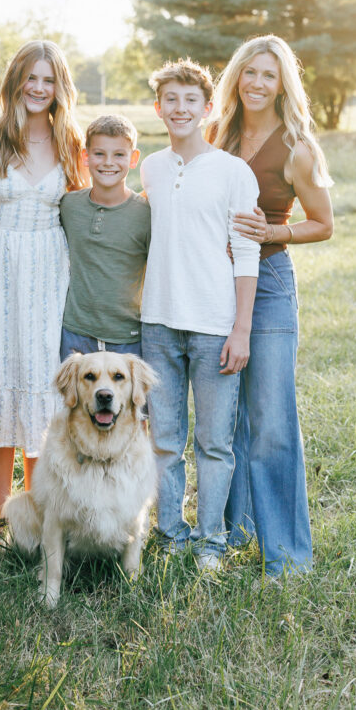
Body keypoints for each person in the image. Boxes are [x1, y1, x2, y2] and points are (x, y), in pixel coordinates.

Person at [210, 34, 333, 576]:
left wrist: (273, 230)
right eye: (250, 72)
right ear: (237, 76)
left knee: (272, 419)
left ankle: (287, 556)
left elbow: (324, 223)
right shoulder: (217, 134)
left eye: (269, 75)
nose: (257, 83)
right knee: (225, 416)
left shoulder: (298, 145)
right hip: (215, 283)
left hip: (271, 285)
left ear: (283, 83)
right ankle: (236, 529)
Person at [0, 40, 86, 533]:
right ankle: (0, 509)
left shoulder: (72, 143)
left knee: (39, 379)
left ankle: (36, 507)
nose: (38, 87)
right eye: (30, 77)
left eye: (48, 79)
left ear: (59, 89)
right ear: (15, 82)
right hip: (0, 269)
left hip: (50, 270)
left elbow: (84, 209)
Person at [140, 59, 260, 573]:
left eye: (191, 100)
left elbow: (247, 253)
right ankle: (172, 534)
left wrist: (241, 329)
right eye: (171, 99)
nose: (180, 108)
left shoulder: (233, 172)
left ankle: (212, 539)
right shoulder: (150, 167)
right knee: (165, 441)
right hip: (158, 322)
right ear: (158, 107)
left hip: (215, 325)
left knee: (214, 443)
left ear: (207, 108)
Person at [59, 113, 151, 360]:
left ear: (133, 159)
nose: (108, 162)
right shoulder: (69, 205)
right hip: (75, 333)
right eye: (99, 154)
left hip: (126, 337)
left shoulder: (145, 213)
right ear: (86, 157)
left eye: (119, 154)